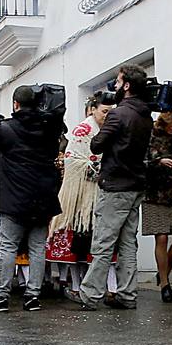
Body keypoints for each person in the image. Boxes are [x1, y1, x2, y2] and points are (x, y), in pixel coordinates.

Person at [73, 64, 153, 311]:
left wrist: (105, 129)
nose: (115, 87)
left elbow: (97, 145)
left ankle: (90, 293)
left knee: (104, 242)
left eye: (118, 82)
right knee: (129, 242)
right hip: (135, 184)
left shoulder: (118, 114)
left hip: (116, 184)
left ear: (127, 85)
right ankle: (127, 294)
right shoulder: (145, 115)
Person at [0, 86, 64, 312]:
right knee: (38, 248)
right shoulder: (49, 128)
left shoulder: (7, 128)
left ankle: (1, 296)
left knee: (8, 246)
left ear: (15, 104)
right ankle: (33, 296)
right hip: (43, 198)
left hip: (14, 198)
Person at [47, 92, 115, 295]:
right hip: (81, 195)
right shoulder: (82, 131)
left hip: (105, 191)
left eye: (111, 112)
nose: (107, 115)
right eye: (104, 111)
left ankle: (110, 287)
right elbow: (73, 161)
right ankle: (77, 286)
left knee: (106, 243)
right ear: (93, 109)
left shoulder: (113, 128)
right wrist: (98, 166)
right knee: (79, 242)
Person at [144, 104, 172, 302]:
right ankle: (164, 283)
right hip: (155, 192)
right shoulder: (150, 135)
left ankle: (164, 272)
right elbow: (141, 162)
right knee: (161, 237)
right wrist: (159, 161)